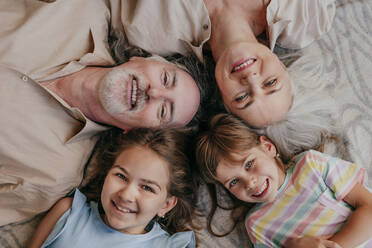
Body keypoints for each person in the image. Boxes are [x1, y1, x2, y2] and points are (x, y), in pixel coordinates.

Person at [0, 44, 208, 227]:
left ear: (143, 132)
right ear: (142, 59)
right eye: (165, 78)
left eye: (163, 111)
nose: (154, 93)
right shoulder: (83, 12)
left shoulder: (51, 175)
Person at [195, 113, 372, 248]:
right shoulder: (256, 224)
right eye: (233, 182)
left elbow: (369, 208)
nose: (249, 183)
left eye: (249, 164)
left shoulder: (310, 165)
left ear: (268, 147)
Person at [28, 128, 197, 248]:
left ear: (165, 205)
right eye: (121, 176)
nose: (126, 195)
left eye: (147, 187)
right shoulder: (69, 214)